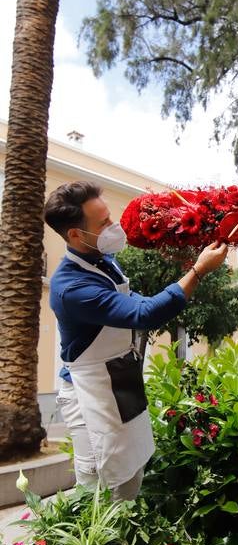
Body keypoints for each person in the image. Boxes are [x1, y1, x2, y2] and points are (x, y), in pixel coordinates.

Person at [44, 181, 228, 501]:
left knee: (130, 472)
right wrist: (197, 271)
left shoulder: (103, 261)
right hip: (90, 391)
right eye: (103, 224)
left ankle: (125, 541)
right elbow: (143, 314)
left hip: (120, 378)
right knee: (98, 482)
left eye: (109, 218)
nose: (113, 227)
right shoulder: (71, 287)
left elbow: (134, 303)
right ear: (75, 234)